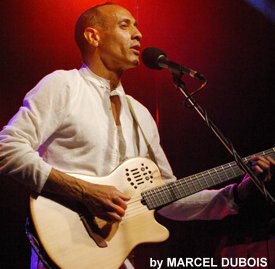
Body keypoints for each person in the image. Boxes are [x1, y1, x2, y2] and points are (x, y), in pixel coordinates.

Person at [0, 3, 274, 269]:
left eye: (137, 26)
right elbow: (7, 150)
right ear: (93, 36)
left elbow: (167, 197)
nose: (138, 34)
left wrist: (236, 195)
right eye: (125, 25)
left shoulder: (140, 114)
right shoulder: (62, 85)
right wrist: (84, 191)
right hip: (64, 246)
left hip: (117, 257)